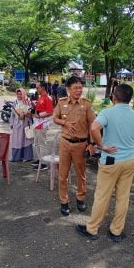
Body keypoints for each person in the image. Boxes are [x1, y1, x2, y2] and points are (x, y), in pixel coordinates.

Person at [76, 84, 134, 242]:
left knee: (102, 196)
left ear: (114, 97)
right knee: (123, 197)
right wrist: (132, 155)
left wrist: (102, 146)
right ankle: (116, 231)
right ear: (130, 99)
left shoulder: (107, 112)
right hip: (129, 160)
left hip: (111, 161)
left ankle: (92, 229)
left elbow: (94, 128)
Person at [53, 76, 96, 216]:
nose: (78, 90)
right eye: (75, 88)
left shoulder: (87, 104)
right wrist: (64, 123)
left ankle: (80, 198)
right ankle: (64, 201)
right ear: (68, 89)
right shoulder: (61, 103)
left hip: (81, 144)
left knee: (81, 175)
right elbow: (55, 118)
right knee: (62, 175)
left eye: (80, 87)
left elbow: (92, 125)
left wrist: (91, 143)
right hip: (65, 143)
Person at [31, 81, 53, 171]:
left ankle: (43, 163)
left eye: (38, 87)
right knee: (36, 143)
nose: (36, 89)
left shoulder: (47, 98)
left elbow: (50, 112)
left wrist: (39, 116)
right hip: (37, 123)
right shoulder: (41, 97)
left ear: (43, 87)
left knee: (41, 143)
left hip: (42, 123)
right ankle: (40, 159)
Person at [9, 88, 34, 162]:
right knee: (17, 140)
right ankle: (16, 157)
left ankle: (27, 157)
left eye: (20, 94)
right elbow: (12, 115)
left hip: (25, 124)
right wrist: (11, 123)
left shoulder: (27, 102)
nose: (19, 95)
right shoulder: (14, 103)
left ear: (23, 94)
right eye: (18, 94)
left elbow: (31, 113)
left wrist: (25, 114)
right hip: (17, 124)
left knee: (26, 140)